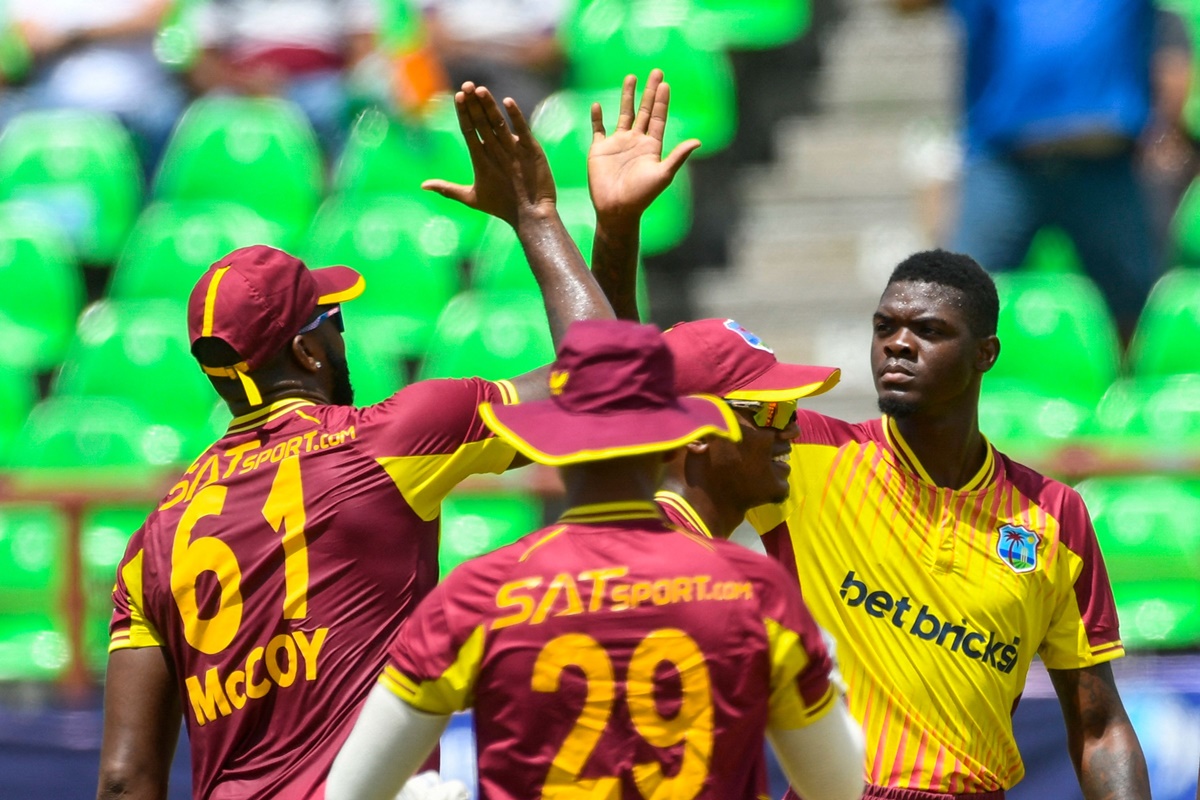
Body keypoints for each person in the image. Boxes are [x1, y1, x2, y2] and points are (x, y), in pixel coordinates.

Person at [95, 81, 617, 800]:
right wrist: (536, 218)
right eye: (333, 322)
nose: (344, 336)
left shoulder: (152, 541)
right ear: (309, 355)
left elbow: (125, 780)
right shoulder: (386, 442)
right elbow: (605, 385)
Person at [589, 179, 1150, 797]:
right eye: (885, 327)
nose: (897, 345)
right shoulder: (809, 454)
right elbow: (633, 385)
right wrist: (617, 234)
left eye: (928, 331)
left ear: (986, 354)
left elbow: (1099, 727)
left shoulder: (1053, 515)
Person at [326, 318, 866, 800]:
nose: (793, 428)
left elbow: (352, 791)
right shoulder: (755, 590)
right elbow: (838, 788)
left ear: (551, 441)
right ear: (683, 433)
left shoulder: (477, 592)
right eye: (775, 412)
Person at [893, 0, 1159, 342]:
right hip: (1005, 164)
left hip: (1105, 165)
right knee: (950, 305)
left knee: (1138, 317)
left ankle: (1133, 394)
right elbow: (903, 5)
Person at [655, 317, 841, 541]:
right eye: (772, 411)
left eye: (790, 409)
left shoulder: (671, 541)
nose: (793, 432)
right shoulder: (666, 553)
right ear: (696, 429)